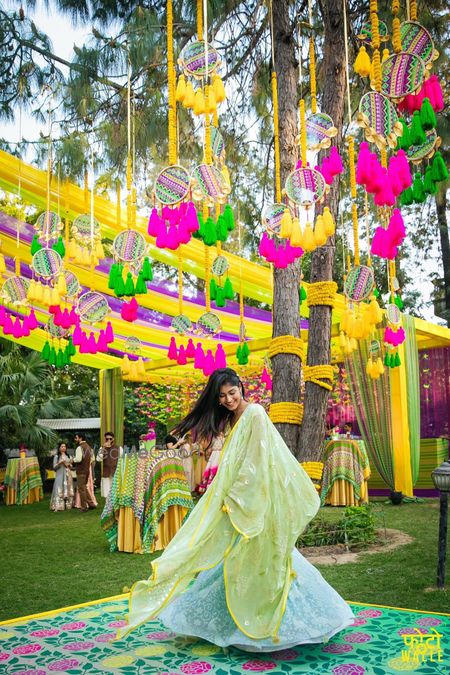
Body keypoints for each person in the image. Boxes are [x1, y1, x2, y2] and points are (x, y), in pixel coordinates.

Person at [117, 368, 354, 650]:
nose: (229, 399)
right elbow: (236, 458)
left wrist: (238, 494)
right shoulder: (232, 419)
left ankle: (286, 623)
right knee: (232, 557)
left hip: (254, 498)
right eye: (222, 396)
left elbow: (258, 456)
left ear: (241, 388)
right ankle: (230, 622)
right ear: (217, 400)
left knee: (267, 557)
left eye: (232, 392)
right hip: (238, 497)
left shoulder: (254, 412)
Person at [73, 432, 96, 512]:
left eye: (76, 438)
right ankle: (91, 504)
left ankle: (84, 507)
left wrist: (73, 459)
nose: (75, 439)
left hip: (81, 471)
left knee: (81, 489)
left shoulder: (79, 448)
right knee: (84, 488)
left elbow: (78, 459)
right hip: (87, 471)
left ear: (80, 438)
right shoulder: (89, 447)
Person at [96, 431, 123, 498]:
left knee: (116, 492)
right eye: (107, 439)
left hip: (116, 472)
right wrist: (103, 448)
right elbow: (98, 459)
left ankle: (114, 507)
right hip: (106, 472)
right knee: (106, 492)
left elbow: (122, 460)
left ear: (113, 439)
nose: (109, 440)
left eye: (110, 439)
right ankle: (107, 506)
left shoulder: (119, 448)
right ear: (105, 439)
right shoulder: (102, 448)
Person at [49, 442, 74, 511]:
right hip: (60, 475)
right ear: (59, 448)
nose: (63, 448)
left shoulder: (68, 456)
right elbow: (54, 467)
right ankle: (58, 506)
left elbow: (71, 467)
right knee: (59, 488)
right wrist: (60, 462)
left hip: (68, 475)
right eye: (62, 446)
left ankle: (68, 505)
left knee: (68, 489)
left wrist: (70, 465)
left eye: (64, 446)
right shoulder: (56, 456)